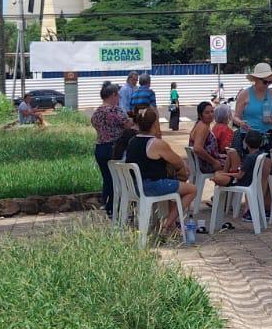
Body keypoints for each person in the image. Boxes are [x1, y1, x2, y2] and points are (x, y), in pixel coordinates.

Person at [122, 107, 196, 236]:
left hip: (134, 186)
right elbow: (177, 162)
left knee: (175, 183)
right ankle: (166, 225)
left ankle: (171, 224)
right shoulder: (155, 143)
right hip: (151, 186)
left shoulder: (132, 141)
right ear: (155, 124)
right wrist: (184, 169)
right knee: (191, 189)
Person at [91, 82, 131, 218]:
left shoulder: (97, 112)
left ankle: (108, 207)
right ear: (113, 95)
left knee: (107, 179)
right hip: (114, 149)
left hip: (100, 148)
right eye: (118, 96)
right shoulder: (115, 110)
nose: (119, 98)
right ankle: (117, 209)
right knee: (118, 180)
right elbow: (127, 125)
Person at [235, 62, 272, 151]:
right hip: (249, 136)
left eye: (270, 82)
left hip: (267, 134)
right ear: (256, 79)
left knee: (267, 162)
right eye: (265, 82)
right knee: (251, 162)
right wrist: (241, 123)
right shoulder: (245, 94)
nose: (268, 84)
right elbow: (236, 117)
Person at [188, 101, 233, 177]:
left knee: (232, 160)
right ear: (200, 115)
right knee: (236, 165)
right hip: (205, 164)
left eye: (212, 112)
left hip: (202, 162)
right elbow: (197, 148)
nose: (211, 115)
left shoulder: (199, 124)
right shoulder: (203, 127)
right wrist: (214, 162)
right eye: (207, 113)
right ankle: (227, 187)